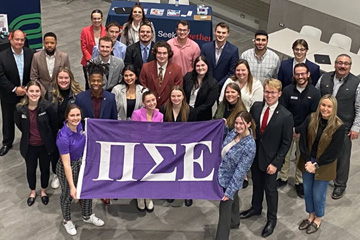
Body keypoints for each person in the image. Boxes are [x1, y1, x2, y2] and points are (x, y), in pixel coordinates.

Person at [240, 79, 293, 238]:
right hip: (255, 157)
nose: (269, 95)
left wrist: (276, 163)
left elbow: (286, 143)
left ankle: (271, 219)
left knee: (270, 190)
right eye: (267, 91)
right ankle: (256, 208)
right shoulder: (256, 107)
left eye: (272, 92)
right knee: (257, 184)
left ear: (279, 94)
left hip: (271, 161)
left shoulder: (286, 116)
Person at [297, 95, 345, 234]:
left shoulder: (339, 126)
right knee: (307, 191)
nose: (325, 108)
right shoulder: (311, 118)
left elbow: (333, 152)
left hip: (324, 165)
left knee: (318, 194)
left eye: (329, 106)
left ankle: (318, 218)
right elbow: (303, 141)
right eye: (323, 105)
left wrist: (316, 165)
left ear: (334, 108)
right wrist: (307, 161)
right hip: (308, 161)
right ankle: (310, 216)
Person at [315, 54, 360, 199]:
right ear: (334, 64)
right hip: (323, 124)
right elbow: (317, 98)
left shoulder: (356, 83)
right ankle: (320, 176)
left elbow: (359, 107)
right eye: (340, 63)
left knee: (342, 157)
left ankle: (340, 184)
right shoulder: (324, 78)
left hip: (344, 127)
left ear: (350, 66)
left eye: (346, 64)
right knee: (321, 151)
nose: (342, 66)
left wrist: (356, 127)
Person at [56, 104, 105, 236]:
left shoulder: (80, 126)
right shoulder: (63, 137)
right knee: (67, 195)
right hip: (68, 167)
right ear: (66, 116)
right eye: (72, 115)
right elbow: (66, 165)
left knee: (86, 189)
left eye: (78, 115)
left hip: (81, 163)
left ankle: (87, 215)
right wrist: (72, 186)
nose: (75, 118)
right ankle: (67, 220)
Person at [75, 62, 117, 205]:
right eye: (93, 80)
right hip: (86, 140)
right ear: (88, 80)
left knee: (103, 167)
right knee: (85, 167)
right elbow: (76, 121)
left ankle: (104, 192)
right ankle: (83, 193)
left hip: (104, 141)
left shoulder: (110, 98)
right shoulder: (80, 98)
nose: (96, 83)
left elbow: (114, 121)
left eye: (99, 80)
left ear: (103, 81)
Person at [277, 63, 320, 198]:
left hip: (305, 131)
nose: (300, 76)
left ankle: (299, 181)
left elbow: (313, 115)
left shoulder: (314, 93)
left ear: (308, 75)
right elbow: (283, 111)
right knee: (285, 154)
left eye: (303, 74)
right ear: (294, 75)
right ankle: (283, 177)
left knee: (301, 157)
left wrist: (300, 129)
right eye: (297, 74)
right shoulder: (288, 90)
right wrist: (290, 128)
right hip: (288, 130)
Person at [14, 81, 57, 206]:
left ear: (41, 92)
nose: (34, 94)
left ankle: (43, 191)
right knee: (31, 169)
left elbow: (53, 125)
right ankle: (32, 191)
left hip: (45, 146)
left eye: (37, 91)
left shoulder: (47, 107)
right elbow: (19, 125)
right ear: (26, 92)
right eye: (31, 91)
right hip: (29, 147)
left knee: (44, 169)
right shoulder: (19, 109)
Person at [215, 111, 256, 240]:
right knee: (234, 199)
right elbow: (225, 143)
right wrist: (225, 127)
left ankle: (221, 237)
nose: (238, 126)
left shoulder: (249, 146)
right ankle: (235, 221)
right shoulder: (233, 133)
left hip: (230, 181)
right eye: (236, 123)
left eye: (241, 123)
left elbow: (240, 172)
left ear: (249, 124)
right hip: (222, 173)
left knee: (224, 210)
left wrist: (229, 191)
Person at [46, 67, 83, 189]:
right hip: (54, 130)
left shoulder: (78, 93)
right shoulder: (50, 92)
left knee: (71, 153)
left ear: (70, 78)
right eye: (60, 77)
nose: (63, 80)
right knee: (55, 153)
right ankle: (56, 174)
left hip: (71, 129)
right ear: (57, 79)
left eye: (66, 78)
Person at [0, 29, 34, 156]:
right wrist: (15, 89)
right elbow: (1, 77)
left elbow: (33, 72)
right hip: (9, 94)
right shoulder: (2, 56)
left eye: (22, 40)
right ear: (10, 39)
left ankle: (30, 139)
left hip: (26, 94)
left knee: (28, 118)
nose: (19, 42)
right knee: (8, 119)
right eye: (17, 39)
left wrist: (26, 88)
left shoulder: (30, 53)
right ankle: (7, 142)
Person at [131, 90, 163, 212]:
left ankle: (148, 196)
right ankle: (139, 196)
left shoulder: (160, 115)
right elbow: (134, 133)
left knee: (151, 173)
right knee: (140, 173)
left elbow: (159, 133)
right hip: (139, 149)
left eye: (153, 100)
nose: (151, 103)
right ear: (143, 103)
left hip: (153, 149)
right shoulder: (137, 114)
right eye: (148, 101)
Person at [139, 41, 183, 108]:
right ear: (155, 54)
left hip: (169, 108)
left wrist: (164, 108)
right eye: (159, 53)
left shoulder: (177, 69)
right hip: (149, 108)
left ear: (169, 54)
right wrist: (152, 104)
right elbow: (143, 88)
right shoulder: (146, 67)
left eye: (164, 53)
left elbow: (177, 91)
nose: (162, 56)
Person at [200, 22, 239, 87]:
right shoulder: (205, 48)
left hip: (224, 87)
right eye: (218, 32)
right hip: (206, 85)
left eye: (224, 33)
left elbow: (231, 72)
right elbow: (201, 66)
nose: (221, 35)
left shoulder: (233, 50)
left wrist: (217, 85)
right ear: (215, 32)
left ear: (228, 34)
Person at [183, 55, 218, 121]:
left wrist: (192, 112)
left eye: (203, 65)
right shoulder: (188, 77)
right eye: (198, 66)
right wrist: (185, 110)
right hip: (185, 113)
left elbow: (208, 104)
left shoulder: (213, 83)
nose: (200, 68)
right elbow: (183, 93)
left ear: (207, 66)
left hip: (202, 117)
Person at [80, 9, 106, 90]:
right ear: (91, 19)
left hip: (102, 62)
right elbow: (83, 47)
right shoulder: (85, 31)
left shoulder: (106, 30)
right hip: (88, 62)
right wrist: (91, 60)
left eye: (98, 18)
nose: (96, 20)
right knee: (89, 84)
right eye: (94, 18)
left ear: (102, 19)